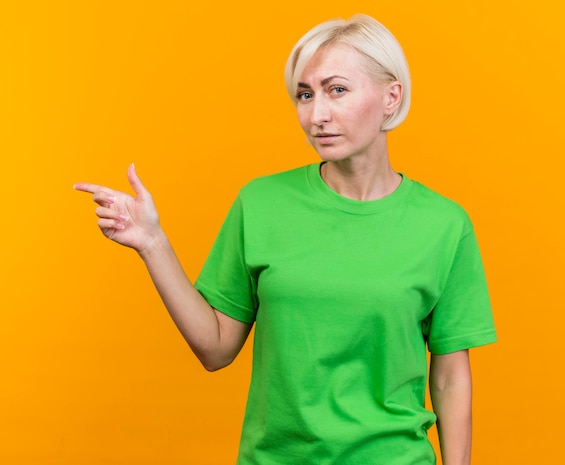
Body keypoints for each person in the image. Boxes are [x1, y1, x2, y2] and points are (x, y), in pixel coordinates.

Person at [75, 14, 496, 465]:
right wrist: (152, 243)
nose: (317, 115)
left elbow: (451, 377)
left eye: (337, 90)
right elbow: (215, 349)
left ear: (391, 97)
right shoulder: (260, 204)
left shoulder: (443, 225)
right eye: (305, 94)